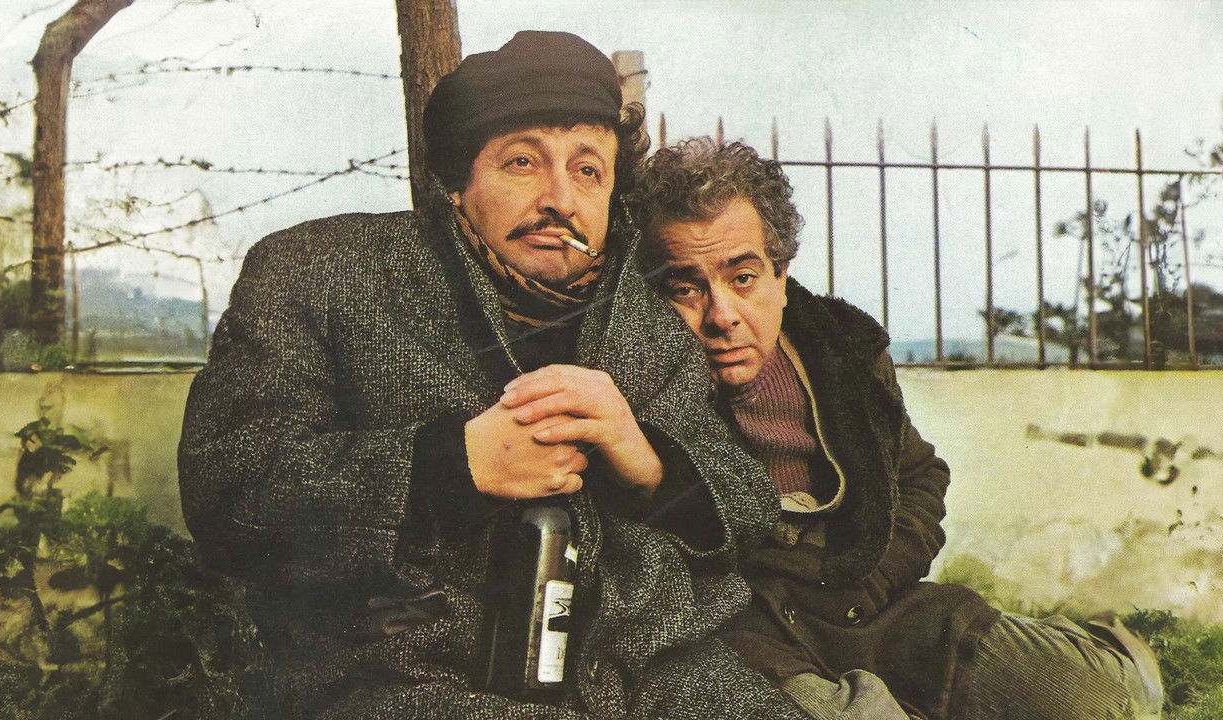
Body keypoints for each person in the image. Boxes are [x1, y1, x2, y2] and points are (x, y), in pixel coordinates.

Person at [178, 33, 810, 719]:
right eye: (522, 163)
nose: (560, 199)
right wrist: (449, 466)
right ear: (457, 182)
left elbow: (748, 509)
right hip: (404, 679)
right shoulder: (322, 273)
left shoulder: (651, 318)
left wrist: (650, 461)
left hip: (651, 676)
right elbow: (228, 496)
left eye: (588, 170)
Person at [634, 138, 1165, 720]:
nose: (721, 316)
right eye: (686, 288)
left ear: (780, 276)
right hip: (755, 643)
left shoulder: (844, 351)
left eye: (742, 277)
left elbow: (919, 477)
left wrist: (876, 580)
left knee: (1098, 700)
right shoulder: (641, 390)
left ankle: (1102, 651)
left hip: (880, 610)